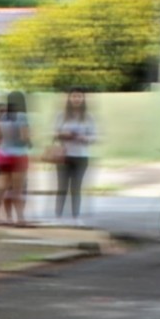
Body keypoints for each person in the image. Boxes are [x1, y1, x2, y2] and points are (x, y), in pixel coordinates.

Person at [53, 88, 96, 223]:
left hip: (81, 156)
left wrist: (84, 138)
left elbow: (93, 136)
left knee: (76, 188)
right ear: (69, 99)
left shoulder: (88, 117)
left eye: (79, 96)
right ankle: (58, 217)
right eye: (74, 96)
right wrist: (63, 135)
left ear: (83, 99)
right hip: (64, 155)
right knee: (62, 187)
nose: (76, 99)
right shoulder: (61, 115)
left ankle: (75, 217)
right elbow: (54, 134)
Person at [0, 91, 31, 226]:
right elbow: (24, 137)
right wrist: (29, 140)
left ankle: (8, 217)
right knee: (19, 189)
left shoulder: (4, 116)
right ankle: (20, 218)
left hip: (4, 154)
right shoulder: (23, 117)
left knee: (7, 188)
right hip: (19, 155)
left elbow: (1, 135)